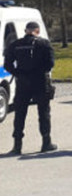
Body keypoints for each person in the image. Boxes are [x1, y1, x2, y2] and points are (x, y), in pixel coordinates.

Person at [4, 21, 56, 155]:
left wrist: (18, 73)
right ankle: (46, 142)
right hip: (40, 82)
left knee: (20, 114)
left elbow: (7, 64)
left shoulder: (15, 45)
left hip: (22, 82)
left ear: (26, 31)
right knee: (43, 113)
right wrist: (40, 71)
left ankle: (17, 146)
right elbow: (50, 63)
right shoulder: (44, 44)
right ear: (37, 31)